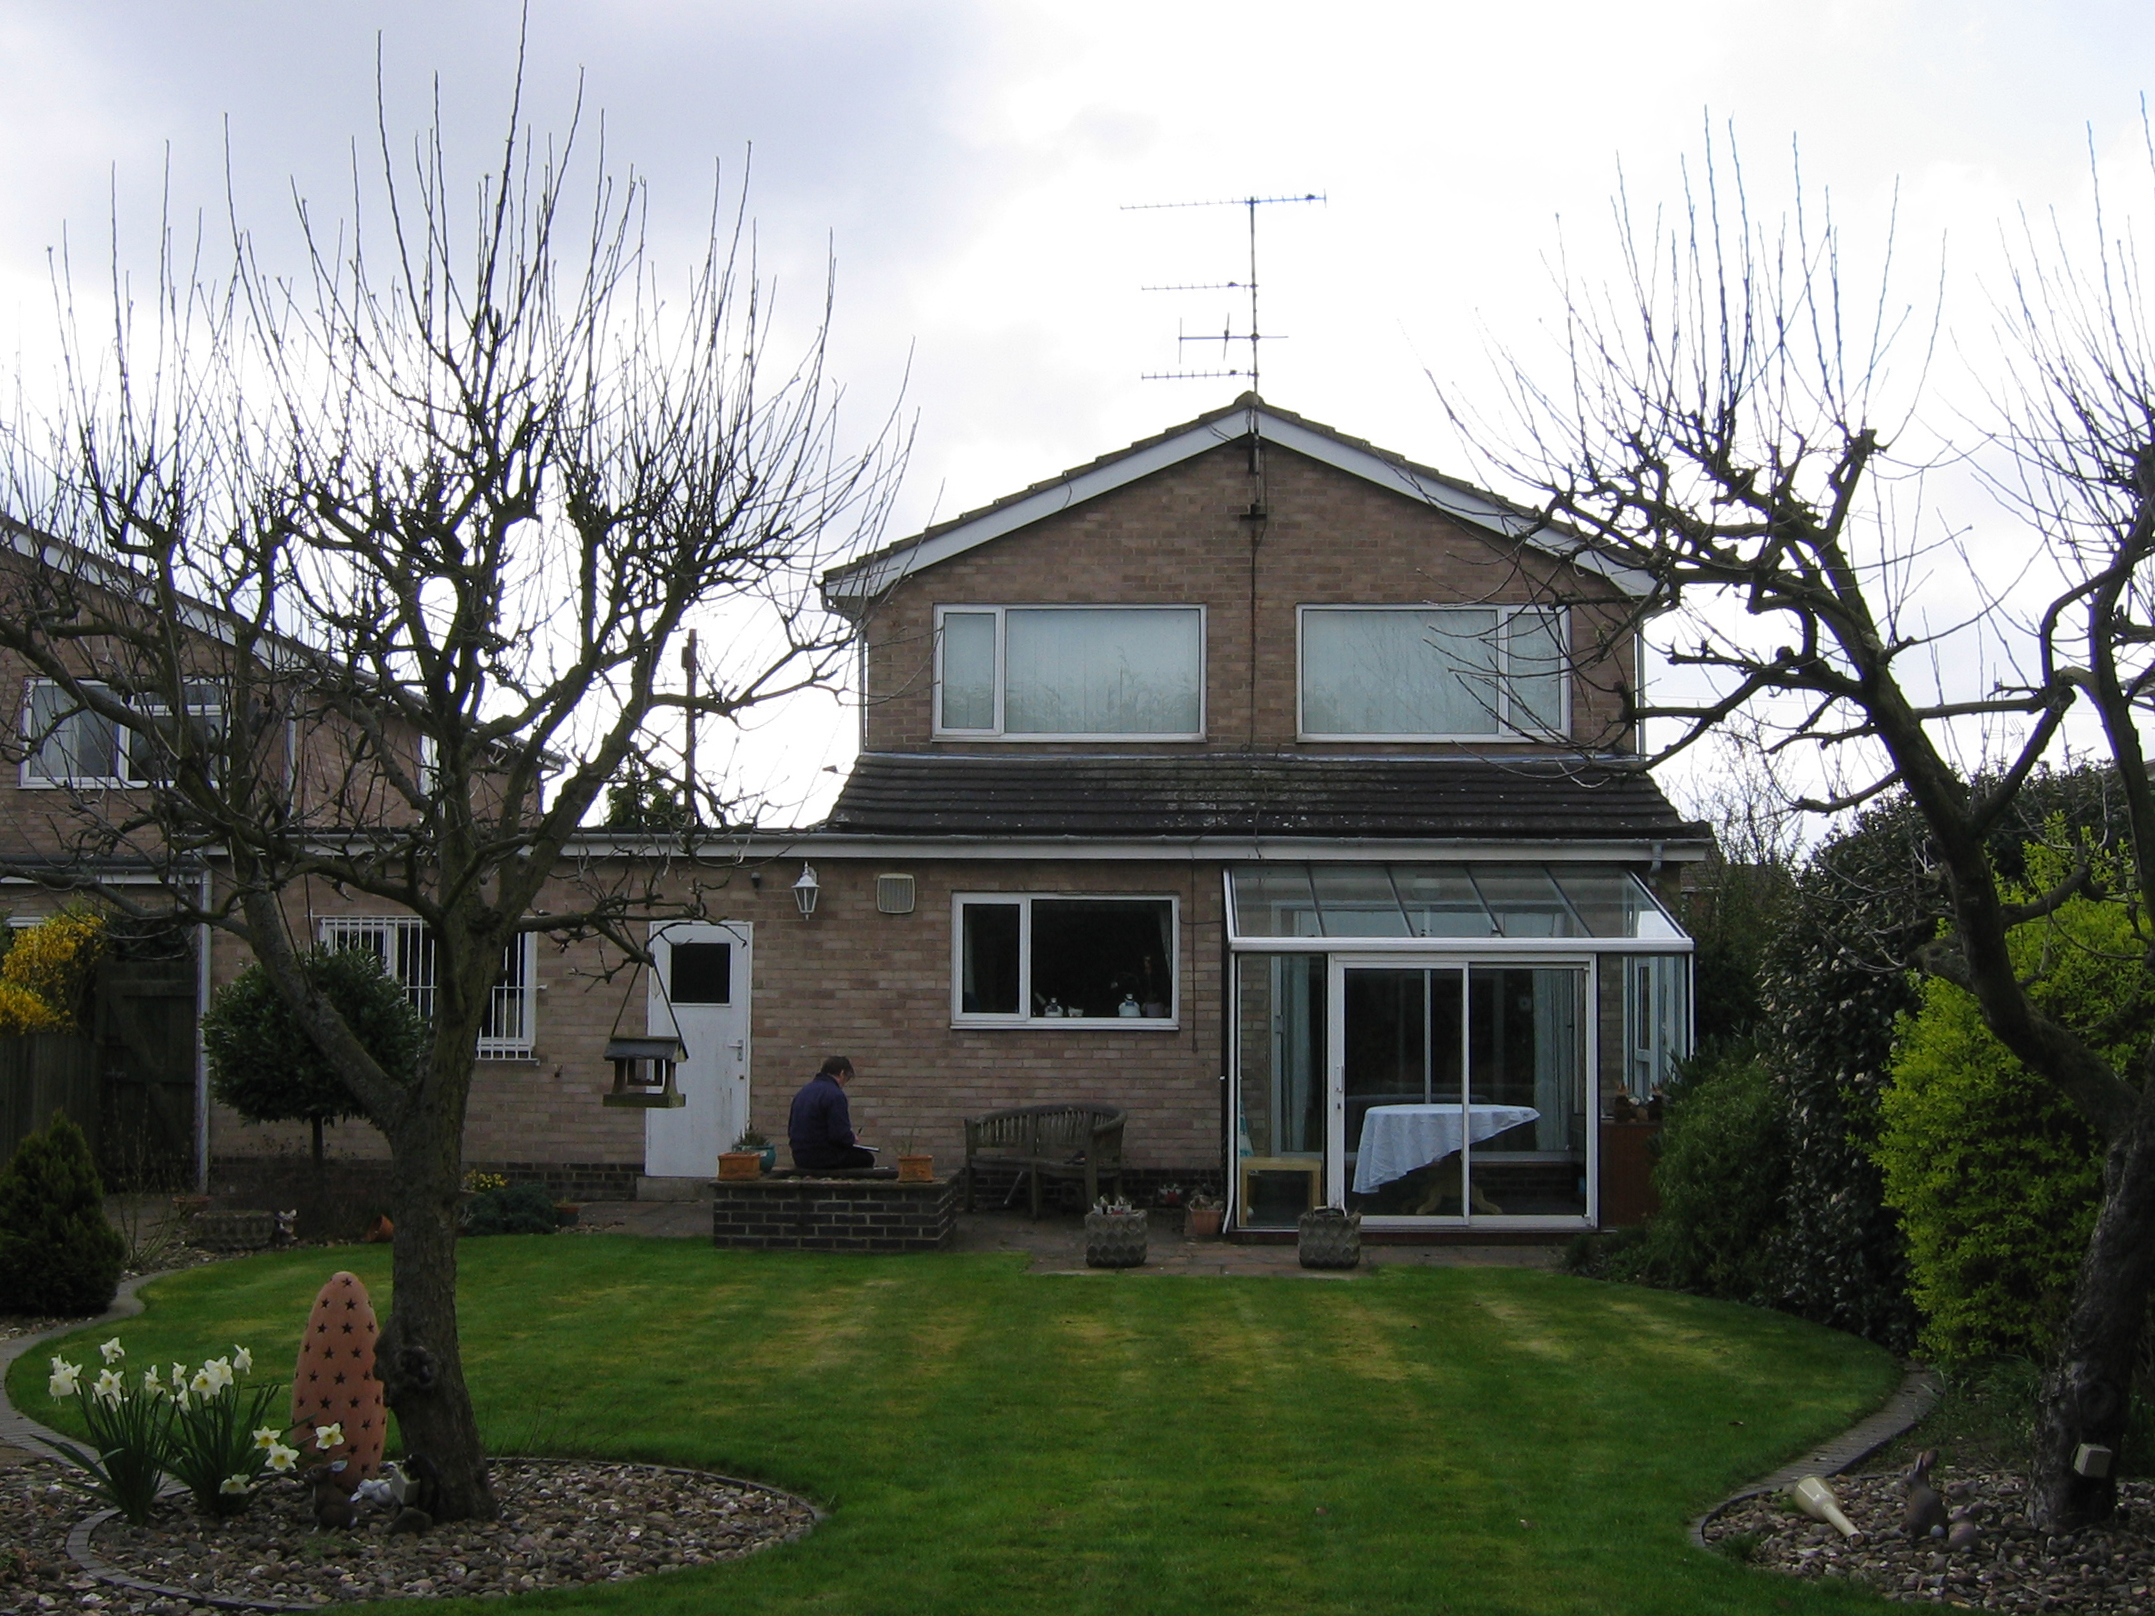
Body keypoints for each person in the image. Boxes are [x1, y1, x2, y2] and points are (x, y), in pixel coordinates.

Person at [788, 1055, 877, 1170]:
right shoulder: (835, 1095)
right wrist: (851, 1138)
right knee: (866, 1158)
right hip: (823, 1157)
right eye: (847, 1078)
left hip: (800, 1157)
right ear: (842, 1073)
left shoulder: (803, 1092)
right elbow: (838, 1135)